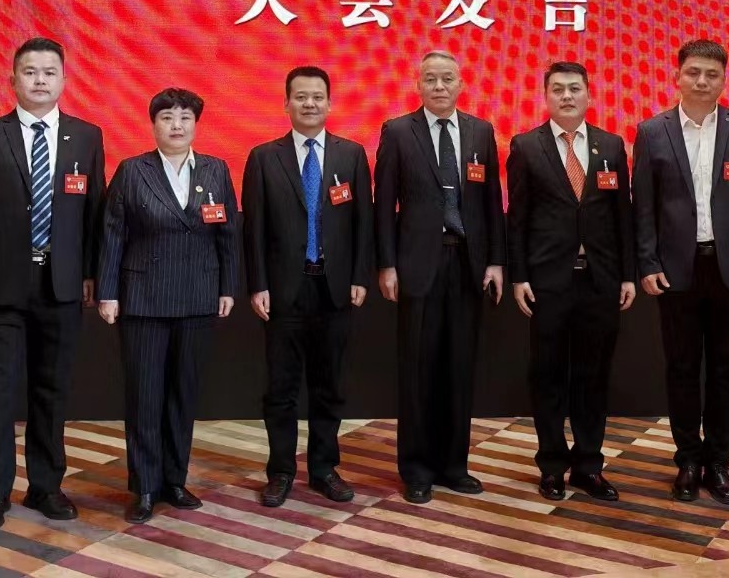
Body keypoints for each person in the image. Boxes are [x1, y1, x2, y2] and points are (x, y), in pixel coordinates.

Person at [0, 37, 105, 533]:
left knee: (51, 390)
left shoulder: (86, 137)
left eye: (49, 72)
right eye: (30, 71)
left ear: (63, 80)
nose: (40, 80)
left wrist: (91, 274)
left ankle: (46, 486)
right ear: (13, 79)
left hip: (62, 285)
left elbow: (94, 215)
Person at [632, 39, 729, 506]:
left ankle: (718, 462)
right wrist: (647, 262)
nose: (701, 81)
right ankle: (688, 460)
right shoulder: (652, 131)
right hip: (676, 270)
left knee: (726, 369)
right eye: (693, 72)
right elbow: (643, 207)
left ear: (724, 80)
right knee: (681, 368)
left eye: (712, 74)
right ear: (677, 76)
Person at [97, 88, 238, 523]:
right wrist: (108, 292)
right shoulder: (132, 170)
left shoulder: (215, 170)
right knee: (145, 397)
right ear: (153, 124)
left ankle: (175, 481)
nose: (176, 125)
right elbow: (112, 234)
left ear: (196, 124)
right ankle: (144, 487)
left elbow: (228, 233)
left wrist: (228, 287)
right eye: (167, 118)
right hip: (143, 300)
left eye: (185, 118)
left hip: (198, 296)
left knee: (183, 394)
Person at [375, 51, 505, 505]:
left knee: (459, 368)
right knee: (418, 369)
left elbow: (491, 202)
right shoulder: (397, 132)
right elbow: (383, 203)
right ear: (418, 85)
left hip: (468, 264)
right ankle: (416, 469)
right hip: (417, 265)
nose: (439, 86)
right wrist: (387, 264)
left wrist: (495, 261)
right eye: (430, 79)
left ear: (461, 84)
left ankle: (454, 465)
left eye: (447, 78)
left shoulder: (480, 131)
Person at [243, 66, 373, 508]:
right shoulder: (264, 157)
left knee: (328, 385)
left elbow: (363, 223)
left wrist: (359, 276)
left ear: (330, 103)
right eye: (300, 97)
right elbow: (254, 229)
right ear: (286, 104)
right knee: (281, 389)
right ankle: (280, 471)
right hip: (283, 290)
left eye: (318, 96)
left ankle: (323, 468)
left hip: (335, 289)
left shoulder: (351, 155)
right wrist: (257, 284)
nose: (310, 104)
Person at [507, 61, 635, 502]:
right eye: (558, 89)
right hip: (547, 281)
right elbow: (517, 218)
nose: (567, 95)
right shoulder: (526, 146)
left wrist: (628, 274)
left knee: (593, 376)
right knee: (547, 376)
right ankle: (551, 466)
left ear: (588, 95)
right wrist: (519, 275)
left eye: (574, 88)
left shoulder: (610, 145)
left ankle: (588, 466)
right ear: (546, 96)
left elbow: (622, 216)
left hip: (601, 280)